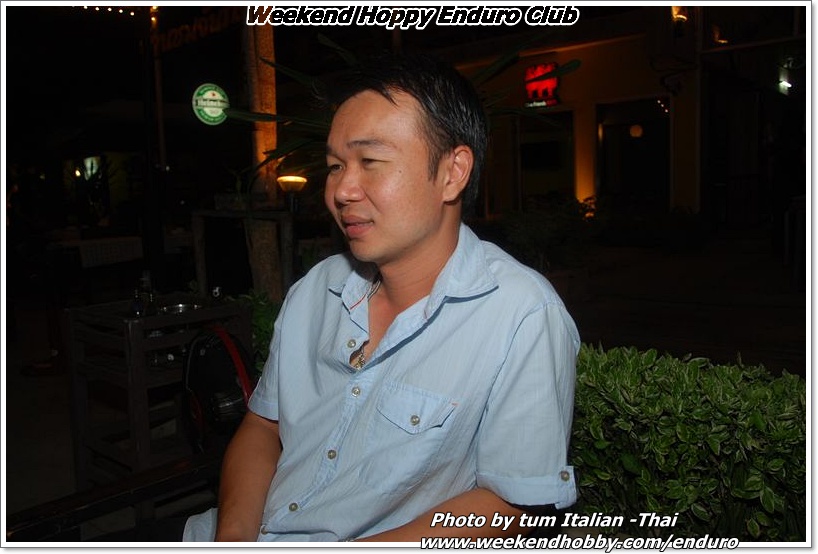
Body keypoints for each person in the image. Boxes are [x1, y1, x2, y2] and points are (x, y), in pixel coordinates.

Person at [183, 51, 580, 542]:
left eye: (370, 161)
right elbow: (264, 426)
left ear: (452, 172)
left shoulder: (520, 313)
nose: (341, 190)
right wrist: (233, 539)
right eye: (335, 166)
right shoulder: (316, 289)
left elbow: (511, 505)